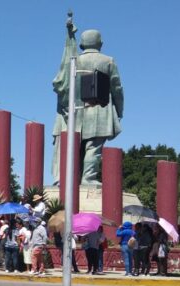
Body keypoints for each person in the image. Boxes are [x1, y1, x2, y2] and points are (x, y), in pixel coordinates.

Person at [51, 15, 125, 186]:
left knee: (73, 147)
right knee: (93, 147)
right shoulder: (108, 61)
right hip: (100, 110)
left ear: (83, 44)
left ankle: (70, 178)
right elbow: (117, 88)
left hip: (75, 110)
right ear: (100, 43)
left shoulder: (73, 60)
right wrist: (119, 110)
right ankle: (88, 178)